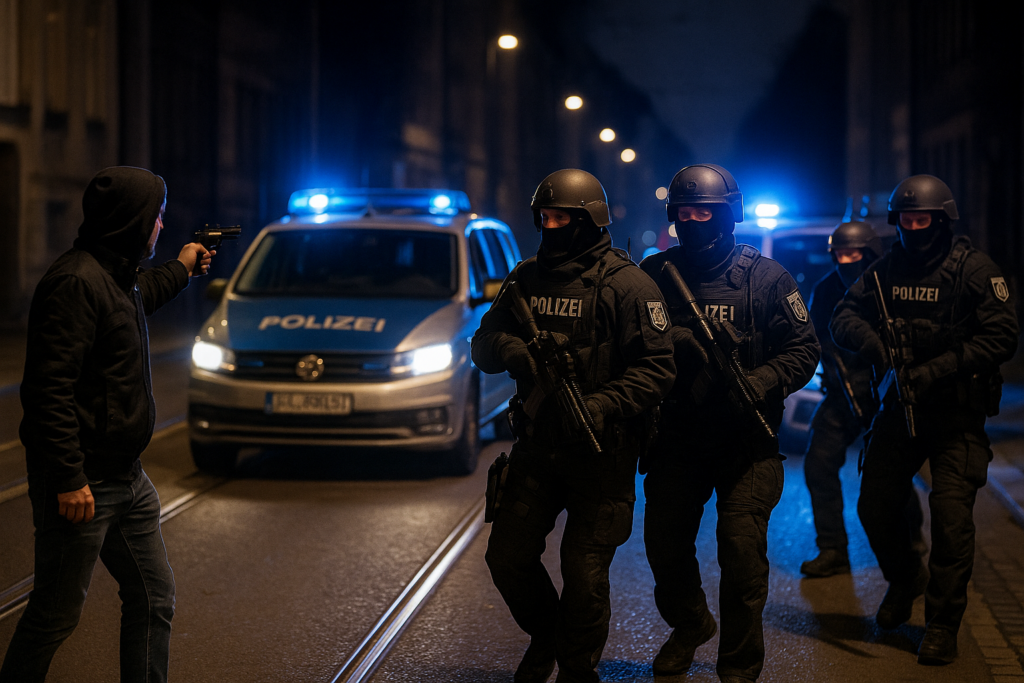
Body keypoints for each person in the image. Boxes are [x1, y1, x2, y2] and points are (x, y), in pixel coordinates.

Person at [0, 166, 214, 683]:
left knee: (152, 594)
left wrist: (184, 266)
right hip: (84, 485)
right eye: (156, 217)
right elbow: (47, 392)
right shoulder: (75, 282)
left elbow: (145, 291)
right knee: (55, 615)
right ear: (132, 220)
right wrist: (70, 478)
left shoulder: (117, 276)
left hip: (128, 479)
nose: (160, 226)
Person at [472, 169, 675, 683]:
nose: (551, 225)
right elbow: (484, 344)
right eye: (544, 217)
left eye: (562, 217)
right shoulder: (525, 277)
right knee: (508, 558)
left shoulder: (628, 284)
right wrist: (515, 351)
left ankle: (577, 667)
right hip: (538, 448)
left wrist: (603, 404)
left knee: (584, 577)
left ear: (588, 221)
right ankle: (548, 637)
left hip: (601, 452)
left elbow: (658, 368)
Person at [639, 164, 819, 682]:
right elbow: (626, 343)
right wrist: (673, 342)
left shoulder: (766, 279)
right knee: (664, 548)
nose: (694, 222)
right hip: (677, 440)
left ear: (729, 216)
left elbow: (804, 350)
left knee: (742, 559)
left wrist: (760, 382)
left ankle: (738, 671)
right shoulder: (654, 277)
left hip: (746, 444)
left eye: (705, 212)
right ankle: (691, 623)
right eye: (684, 213)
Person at [831, 174, 1019, 665]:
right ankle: (904, 578)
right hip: (901, 409)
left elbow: (1002, 336)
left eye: (923, 220)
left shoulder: (973, 270)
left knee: (953, 524)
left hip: (956, 415)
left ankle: (941, 623)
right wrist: (878, 349)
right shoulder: (886, 269)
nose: (914, 228)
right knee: (874, 505)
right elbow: (843, 318)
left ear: (942, 220)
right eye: (906, 220)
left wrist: (941, 365)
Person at [801, 221, 924, 578]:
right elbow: (816, 338)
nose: (846, 260)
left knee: (892, 476)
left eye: (853, 254)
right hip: (843, 396)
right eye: (839, 254)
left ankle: (912, 547)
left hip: (887, 396)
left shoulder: (889, 286)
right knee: (818, 465)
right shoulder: (826, 290)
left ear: (869, 254)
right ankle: (833, 549)